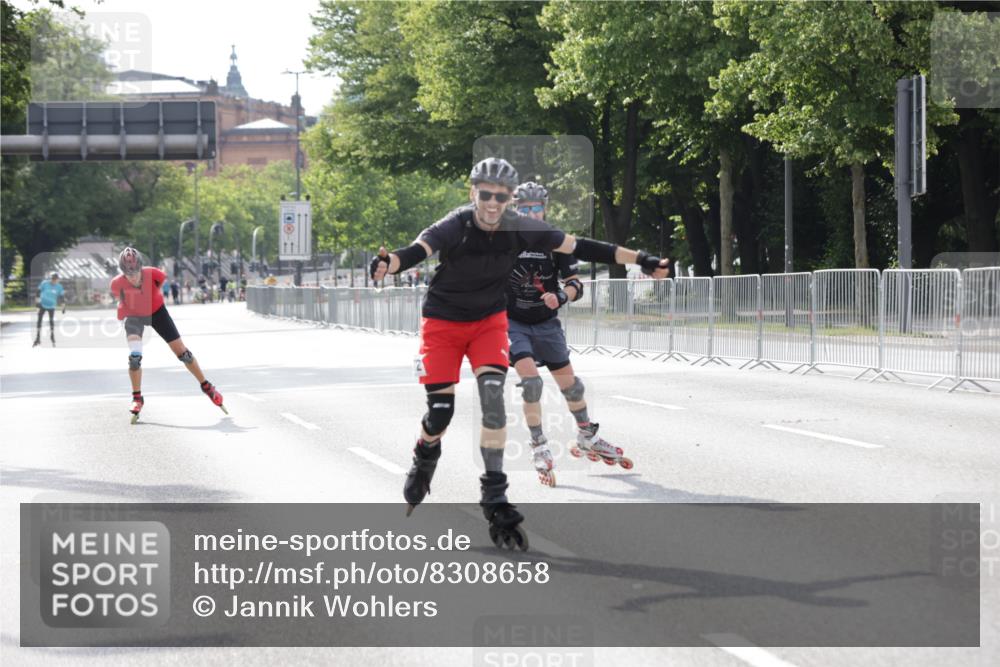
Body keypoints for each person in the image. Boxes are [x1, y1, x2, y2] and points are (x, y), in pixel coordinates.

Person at [370, 157, 671, 549]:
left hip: (489, 322)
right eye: (485, 195)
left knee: (493, 402)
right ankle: (426, 454)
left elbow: (584, 246)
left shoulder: (522, 228)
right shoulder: (455, 224)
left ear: (510, 198)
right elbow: (414, 252)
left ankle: (494, 498)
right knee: (440, 414)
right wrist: (387, 264)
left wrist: (642, 260)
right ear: (472, 192)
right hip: (443, 323)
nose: (493, 203)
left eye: (501, 196)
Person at [506, 182, 633, 487]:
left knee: (572, 388)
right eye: (525, 208)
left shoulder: (555, 240)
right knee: (532, 383)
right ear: (515, 209)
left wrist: (561, 297)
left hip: (547, 322)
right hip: (512, 323)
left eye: (537, 208)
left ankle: (587, 434)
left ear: (544, 209)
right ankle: (538, 445)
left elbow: (574, 282)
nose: (532, 213)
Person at [110, 247, 226, 423]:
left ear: (141, 267)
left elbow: (161, 284)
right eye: (128, 272)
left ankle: (206, 385)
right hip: (134, 315)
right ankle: (137, 397)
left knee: (183, 354)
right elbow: (122, 301)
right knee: (134, 358)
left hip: (157, 312)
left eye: (135, 271)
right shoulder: (116, 284)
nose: (132, 276)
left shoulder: (154, 274)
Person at [33, 272, 65, 347]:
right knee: (39, 321)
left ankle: (52, 336)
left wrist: (63, 307)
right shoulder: (44, 283)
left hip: (51, 306)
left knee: (51, 321)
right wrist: (37, 305)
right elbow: (38, 292)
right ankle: (38, 337)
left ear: (57, 280)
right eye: (52, 279)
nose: (53, 281)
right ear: (50, 279)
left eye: (55, 279)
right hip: (42, 304)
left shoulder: (59, 287)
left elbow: (62, 297)